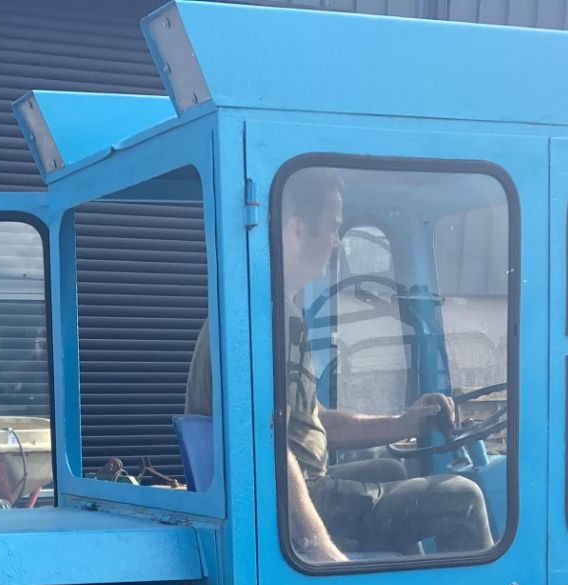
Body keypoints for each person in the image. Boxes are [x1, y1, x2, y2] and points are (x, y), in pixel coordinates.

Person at [184, 168, 492, 564]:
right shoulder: (272, 320)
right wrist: (316, 544)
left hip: (292, 489)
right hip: (290, 501)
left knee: (392, 472)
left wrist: (403, 422)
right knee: (461, 499)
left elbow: (310, 421)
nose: (336, 242)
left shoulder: (259, 308)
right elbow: (268, 442)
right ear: (296, 230)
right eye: (331, 228)